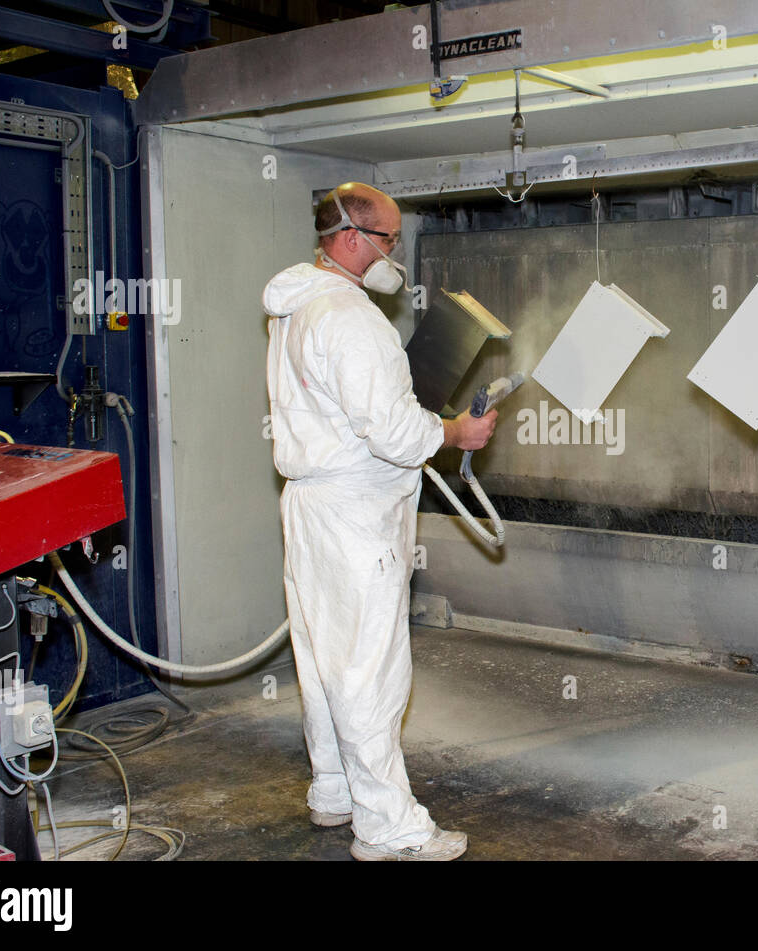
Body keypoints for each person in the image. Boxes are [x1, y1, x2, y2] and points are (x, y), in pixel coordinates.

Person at [263, 182, 497, 861]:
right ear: (353, 238)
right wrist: (455, 430)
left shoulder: (296, 307)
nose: (394, 251)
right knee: (370, 667)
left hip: (310, 505)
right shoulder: (351, 317)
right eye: (390, 238)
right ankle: (388, 826)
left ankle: (334, 789)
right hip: (357, 511)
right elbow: (393, 431)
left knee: (323, 656)